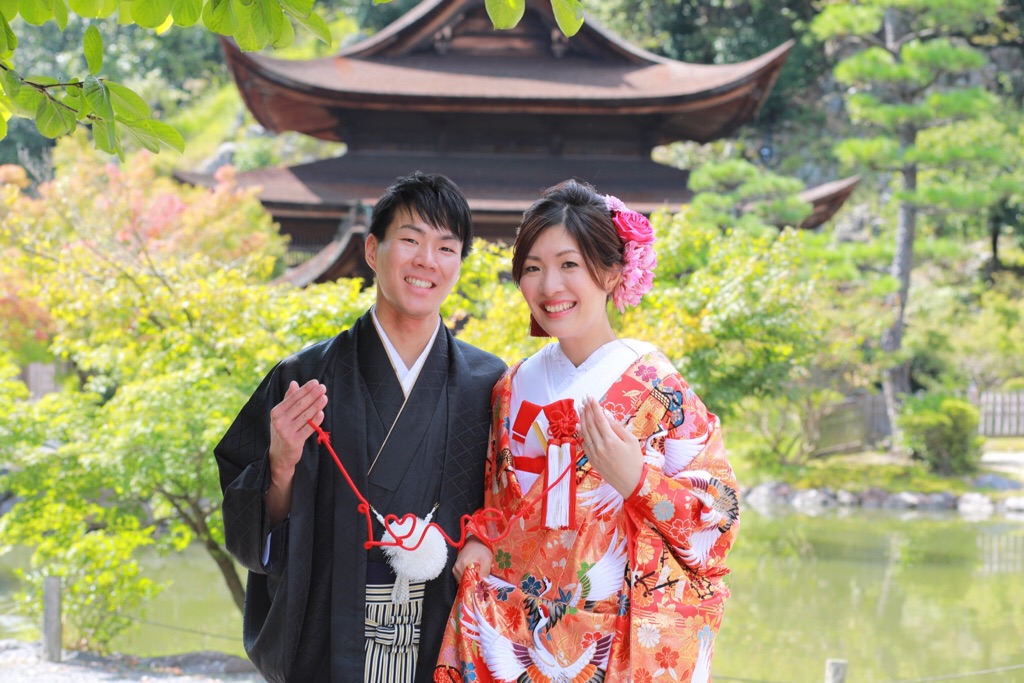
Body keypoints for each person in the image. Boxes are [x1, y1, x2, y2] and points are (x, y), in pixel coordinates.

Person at [434, 180, 740, 683]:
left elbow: (720, 517)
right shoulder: (511, 385)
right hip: (511, 631)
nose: (549, 285)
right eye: (532, 268)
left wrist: (637, 480)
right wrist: (481, 539)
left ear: (613, 270)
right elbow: (496, 499)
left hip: (611, 635)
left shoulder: (655, 383)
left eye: (568, 264)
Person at [215, 172, 507, 683]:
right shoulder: (302, 378)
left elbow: (510, 506)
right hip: (330, 635)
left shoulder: (488, 384)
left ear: (459, 264)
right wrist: (281, 464)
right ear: (373, 251)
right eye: (411, 240)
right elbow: (254, 528)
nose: (426, 261)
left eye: (446, 247)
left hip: (441, 638)